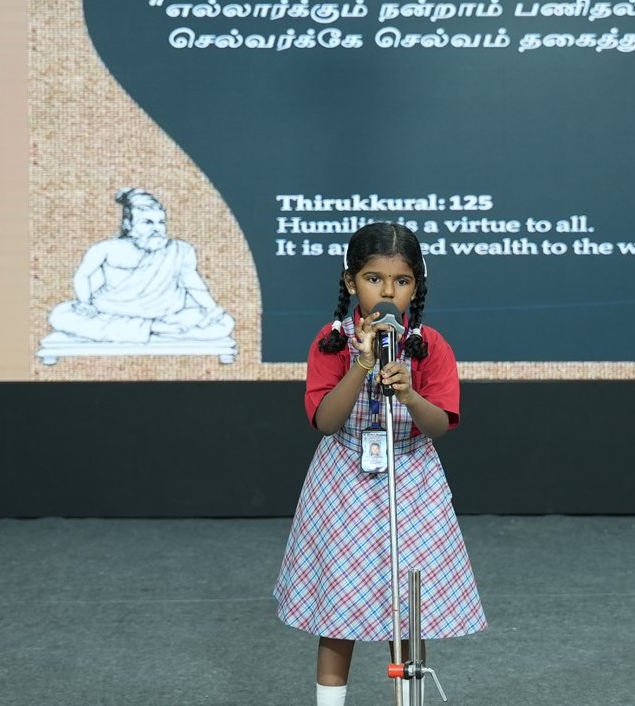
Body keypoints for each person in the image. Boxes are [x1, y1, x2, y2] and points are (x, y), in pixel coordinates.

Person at [274, 223, 486, 706]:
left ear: (417, 285)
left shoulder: (430, 346)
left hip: (412, 481)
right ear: (351, 282)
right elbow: (326, 421)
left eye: (402, 281)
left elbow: (438, 426)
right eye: (373, 279)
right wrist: (362, 365)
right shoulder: (331, 343)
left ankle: (408, 698)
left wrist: (409, 392)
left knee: (408, 611)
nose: (387, 291)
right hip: (344, 480)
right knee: (338, 611)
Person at [47, 188, 235, 344]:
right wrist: (85, 303)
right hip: (113, 310)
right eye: (147, 222)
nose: (157, 229)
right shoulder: (106, 249)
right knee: (60, 315)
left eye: (161, 222)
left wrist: (212, 310)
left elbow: (193, 283)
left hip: (165, 312)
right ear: (129, 224)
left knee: (225, 322)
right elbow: (82, 276)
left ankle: (146, 328)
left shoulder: (180, 249)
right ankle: (153, 329)